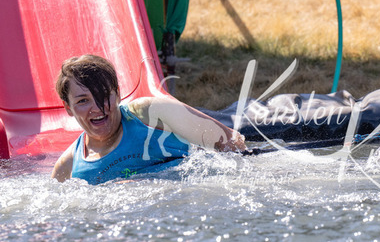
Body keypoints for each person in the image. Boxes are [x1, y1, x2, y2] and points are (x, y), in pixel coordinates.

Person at [51, 54, 246, 184]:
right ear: (68, 108)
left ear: (118, 94)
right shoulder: (68, 168)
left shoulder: (149, 113)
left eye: (103, 95)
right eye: (83, 101)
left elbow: (233, 142)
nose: (97, 108)